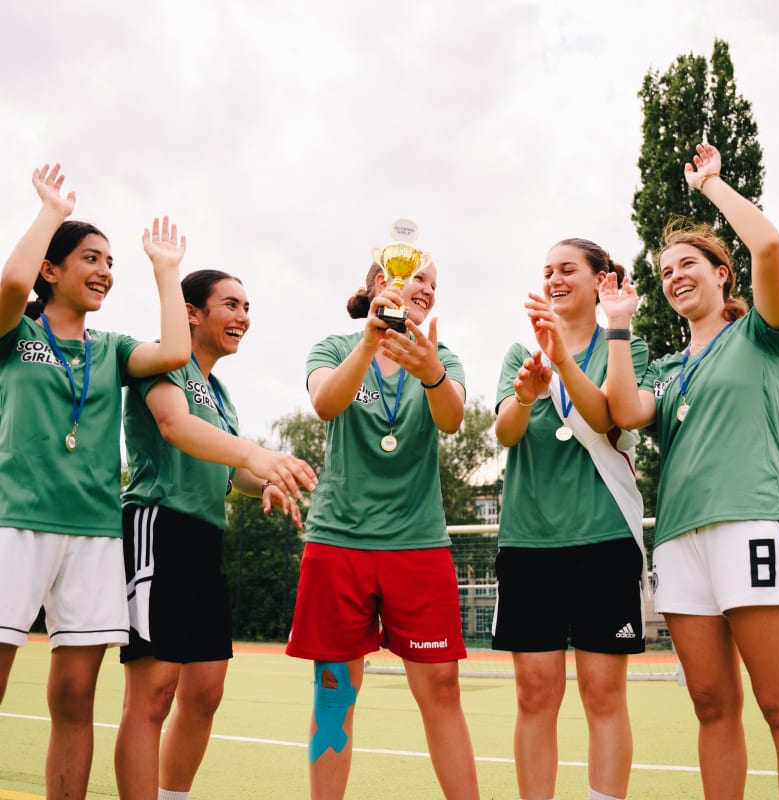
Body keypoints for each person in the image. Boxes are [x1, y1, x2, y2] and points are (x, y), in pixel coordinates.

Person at [600, 142, 779, 800]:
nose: (675, 275)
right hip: (680, 542)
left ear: (722, 275)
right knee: (712, 707)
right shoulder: (667, 366)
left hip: (751, 525)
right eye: (664, 271)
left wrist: (712, 186)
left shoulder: (760, 336)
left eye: (690, 263)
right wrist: (620, 328)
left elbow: (768, 247)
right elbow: (625, 411)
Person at [0, 163, 191, 799]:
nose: (106, 270)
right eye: (90, 257)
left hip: (93, 535)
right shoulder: (16, 334)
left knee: (78, 693)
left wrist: (165, 270)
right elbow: (10, 282)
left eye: (111, 261)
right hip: (14, 523)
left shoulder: (111, 349)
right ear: (51, 271)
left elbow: (174, 352)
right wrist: (50, 213)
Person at [114, 268, 318, 800]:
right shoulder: (164, 362)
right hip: (158, 528)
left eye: (247, 307)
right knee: (153, 695)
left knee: (204, 694)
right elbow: (175, 427)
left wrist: (266, 479)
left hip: (206, 540)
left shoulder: (220, 392)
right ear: (191, 313)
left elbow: (235, 472)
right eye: (231, 304)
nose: (243, 318)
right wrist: (258, 454)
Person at [286, 258, 480, 799]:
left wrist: (431, 372)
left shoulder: (441, 357)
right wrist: (370, 342)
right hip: (338, 542)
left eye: (433, 284)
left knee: (441, 689)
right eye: (417, 276)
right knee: (334, 691)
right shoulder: (333, 347)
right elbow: (325, 403)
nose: (426, 289)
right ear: (381, 282)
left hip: (417, 544)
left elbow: (452, 419)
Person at [492, 238, 649, 800]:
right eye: (547, 271)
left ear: (600, 279)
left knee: (603, 695)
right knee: (535, 694)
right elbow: (505, 433)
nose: (555, 279)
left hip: (604, 539)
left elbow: (610, 418)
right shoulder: (519, 352)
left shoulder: (625, 346)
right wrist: (528, 395)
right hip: (529, 544)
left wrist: (560, 360)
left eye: (567, 270)